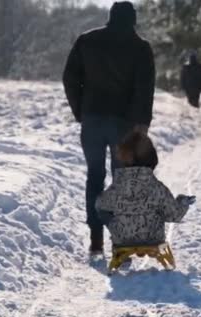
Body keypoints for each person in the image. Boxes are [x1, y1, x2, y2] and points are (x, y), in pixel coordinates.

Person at [62, 1, 156, 255]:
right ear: (133, 20)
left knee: (95, 176)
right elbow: (144, 90)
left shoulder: (87, 40)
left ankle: (95, 238)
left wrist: (80, 111)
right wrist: (142, 124)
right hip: (123, 125)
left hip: (92, 120)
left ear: (110, 17)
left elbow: (70, 77)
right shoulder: (141, 48)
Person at [95, 132, 195, 251]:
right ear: (151, 158)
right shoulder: (156, 187)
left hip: (122, 239)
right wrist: (181, 201)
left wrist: (115, 221)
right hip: (153, 239)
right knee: (159, 207)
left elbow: (100, 205)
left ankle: (120, 232)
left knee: (101, 207)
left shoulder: (117, 186)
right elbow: (174, 215)